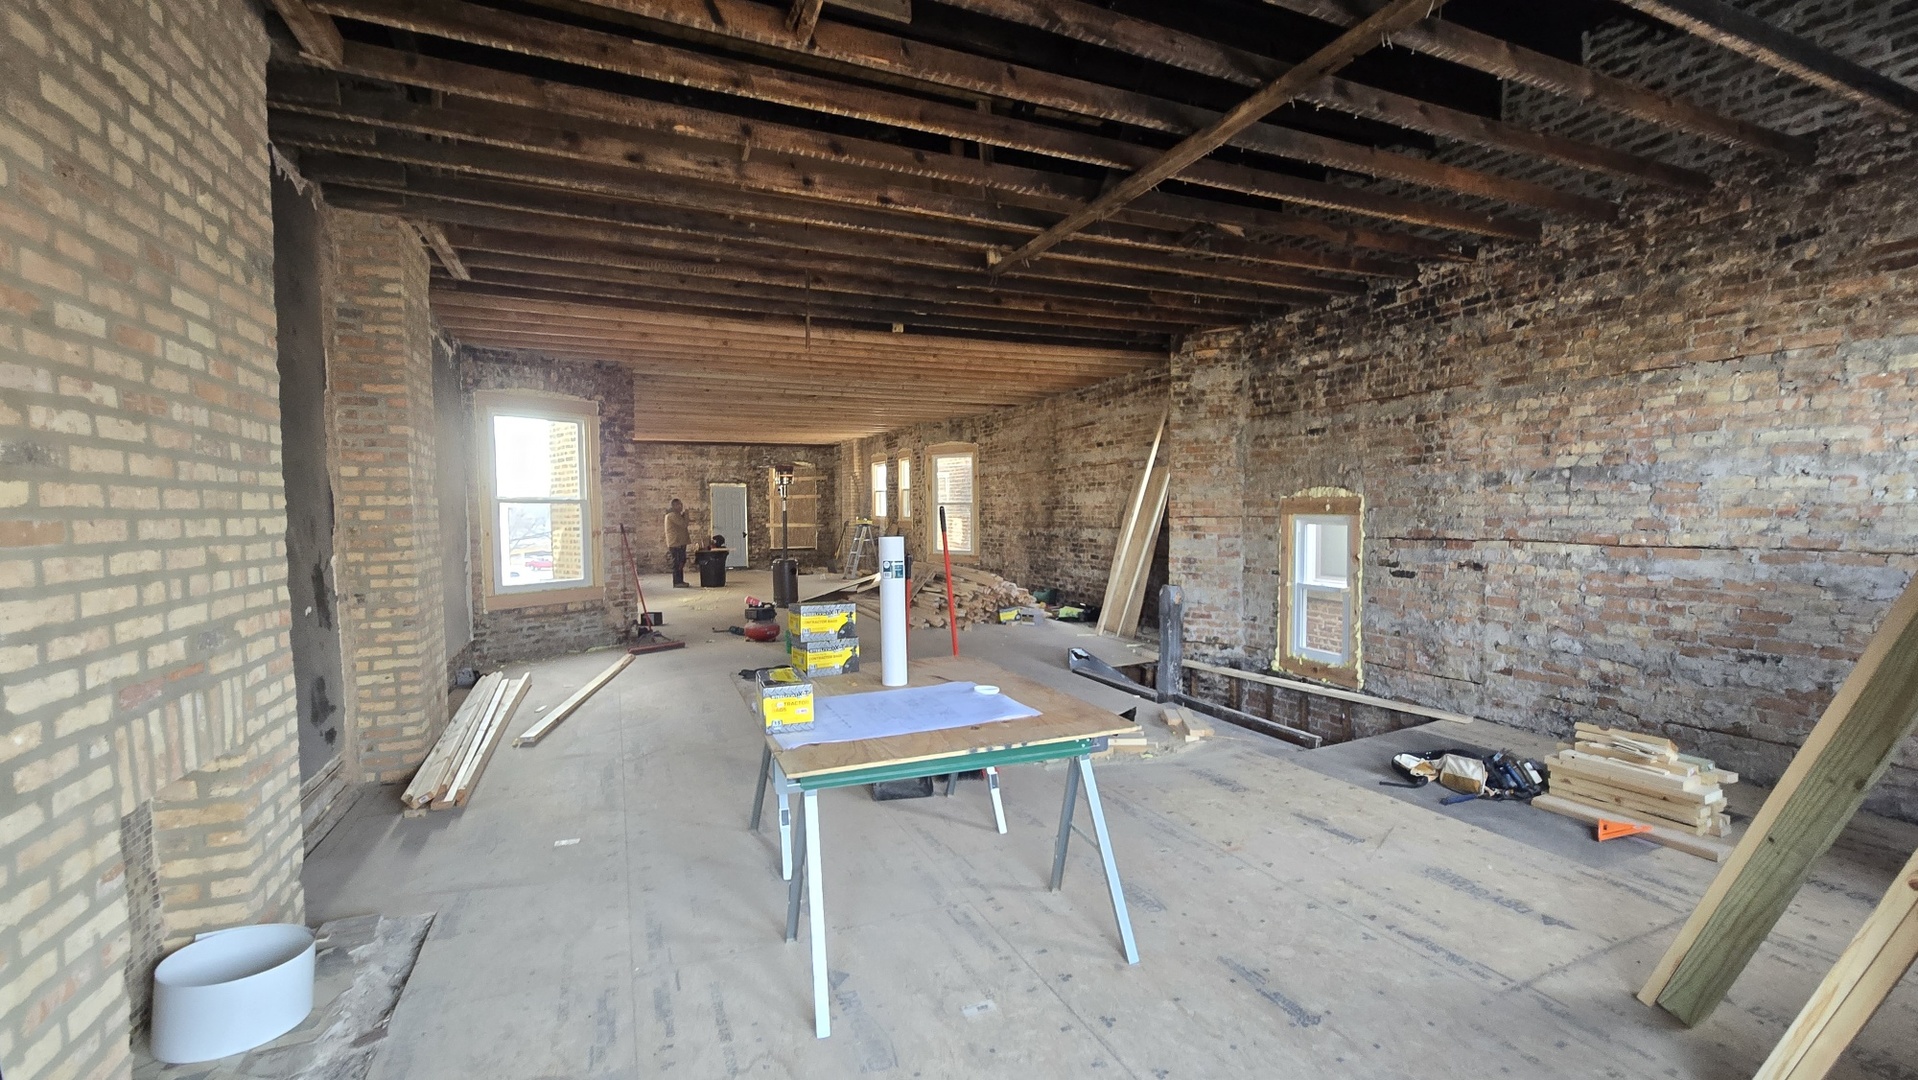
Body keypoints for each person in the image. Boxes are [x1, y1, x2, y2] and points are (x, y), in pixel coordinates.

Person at [664, 498, 692, 588]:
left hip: (680, 542)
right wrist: (686, 514)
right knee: (677, 562)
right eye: (679, 505)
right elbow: (684, 524)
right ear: (674, 506)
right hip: (676, 543)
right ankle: (677, 582)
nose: (681, 506)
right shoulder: (672, 515)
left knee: (681, 561)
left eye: (681, 504)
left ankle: (680, 580)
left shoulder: (677, 515)